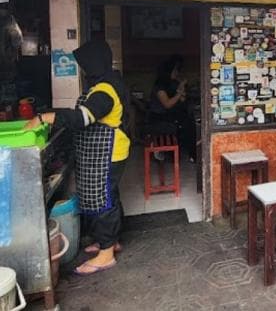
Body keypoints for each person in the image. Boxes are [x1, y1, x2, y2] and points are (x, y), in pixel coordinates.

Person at [25, 40, 130, 275]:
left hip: (108, 152)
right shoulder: (106, 83)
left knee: (103, 199)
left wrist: (45, 118)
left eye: (85, 65)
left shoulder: (105, 91)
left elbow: (83, 118)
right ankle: (110, 242)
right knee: (108, 195)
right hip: (105, 153)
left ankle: (106, 254)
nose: (83, 70)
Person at [148, 55, 196, 162]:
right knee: (187, 126)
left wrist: (181, 87)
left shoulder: (171, 84)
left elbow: (182, 99)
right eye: (175, 70)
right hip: (158, 120)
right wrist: (179, 94)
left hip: (168, 117)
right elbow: (167, 104)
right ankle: (168, 151)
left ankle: (191, 153)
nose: (177, 73)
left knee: (190, 121)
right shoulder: (159, 86)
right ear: (168, 71)